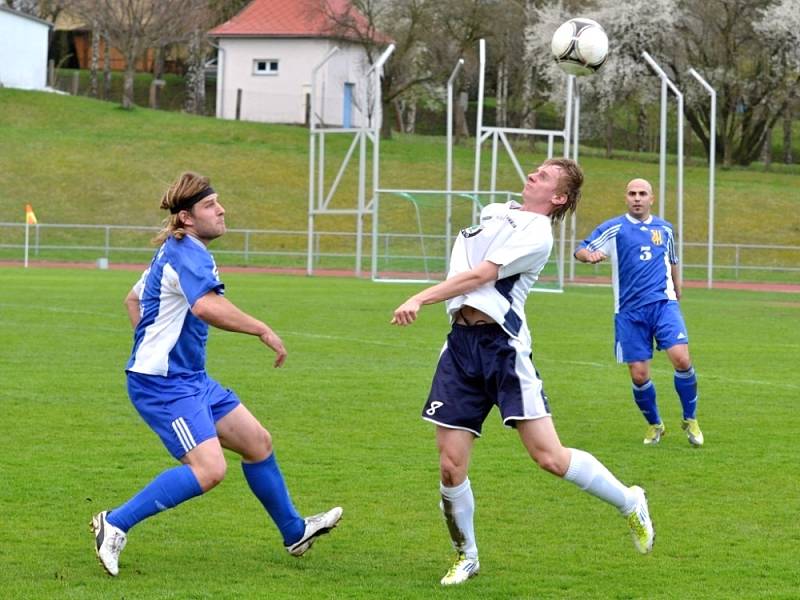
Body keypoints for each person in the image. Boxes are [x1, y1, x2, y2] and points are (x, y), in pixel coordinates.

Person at [391, 158, 654, 586]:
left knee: (549, 457)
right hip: (459, 347)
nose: (534, 174)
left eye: (546, 176)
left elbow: (481, 274)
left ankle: (629, 500)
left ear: (558, 198)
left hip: (502, 349)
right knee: (449, 467)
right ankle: (467, 556)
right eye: (536, 170)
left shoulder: (537, 234)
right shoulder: (498, 211)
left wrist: (420, 298)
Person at [91, 172, 342, 577]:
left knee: (257, 442)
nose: (221, 209)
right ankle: (114, 523)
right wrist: (261, 328)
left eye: (218, 202)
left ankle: (295, 531)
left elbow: (132, 299)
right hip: (165, 386)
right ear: (187, 218)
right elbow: (205, 307)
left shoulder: (176, 249)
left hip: (190, 379)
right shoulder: (187, 252)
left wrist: (150, 344)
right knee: (210, 470)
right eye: (210, 205)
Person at [574, 178, 703, 447]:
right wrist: (590, 256)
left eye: (642, 193)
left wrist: (678, 286)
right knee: (639, 374)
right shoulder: (614, 228)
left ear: (651, 198)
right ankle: (655, 425)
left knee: (681, 358)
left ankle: (690, 419)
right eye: (632, 193)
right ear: (626, 197)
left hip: (663, 305)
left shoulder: (665, 229)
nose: (637, 198)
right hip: (629, 312)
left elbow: (673, 260)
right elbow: (581, 249)